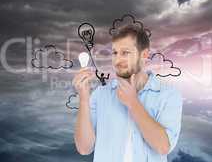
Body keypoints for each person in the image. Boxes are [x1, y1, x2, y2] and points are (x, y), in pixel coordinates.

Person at [72, 24, 183, 162]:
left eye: (125, 52)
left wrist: (133, 103)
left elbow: (163, 147)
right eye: (114, 53)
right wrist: (83, 98)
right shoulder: (101, 95)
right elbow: (84, 148)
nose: (118, 60)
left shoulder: (168, 95)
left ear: (144, 55)